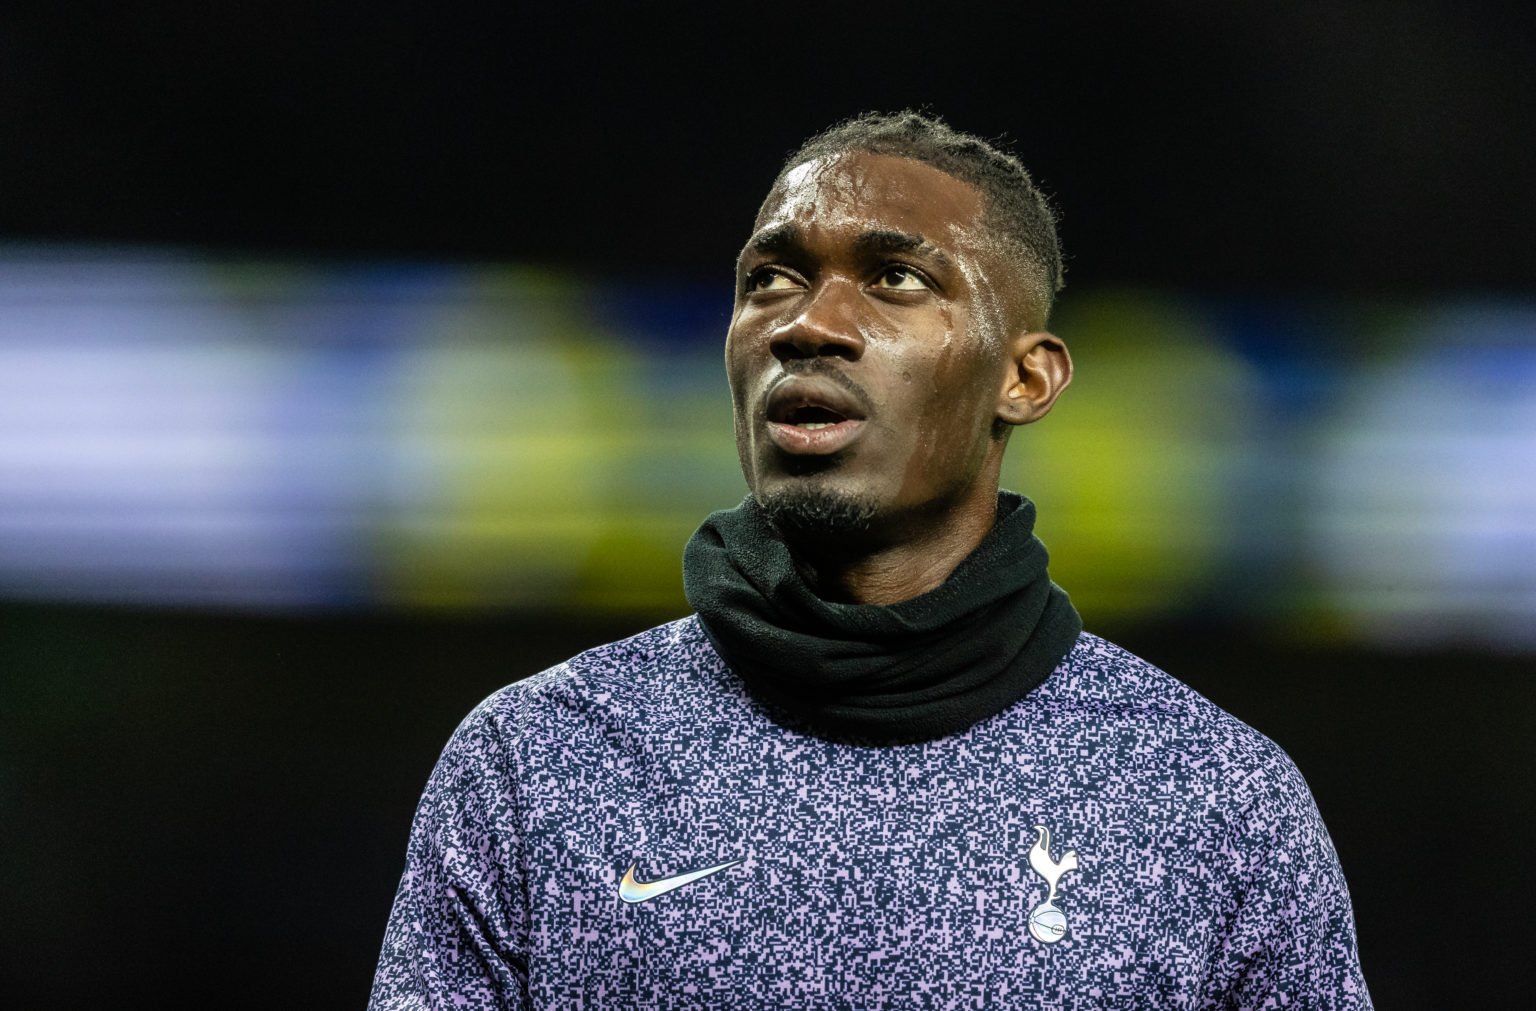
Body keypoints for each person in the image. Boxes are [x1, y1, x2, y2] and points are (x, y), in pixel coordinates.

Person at [369, 111, 1372, 1009]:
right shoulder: (537, 763)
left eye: (895, 279)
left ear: (1025, 378)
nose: (806, 324)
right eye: (770, 279)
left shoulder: (1211, 799)